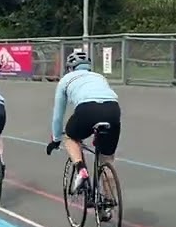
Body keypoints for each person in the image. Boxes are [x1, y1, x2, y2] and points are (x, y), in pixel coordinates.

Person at [45, 49, 121, 194]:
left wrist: (56, 139)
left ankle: (81, 170)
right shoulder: (99, 77)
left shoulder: (66, 80)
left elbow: (58, 115)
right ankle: (108, 204)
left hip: (88, 109)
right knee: (106, 159)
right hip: (113, 109)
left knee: (70, 136)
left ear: (70, 68)